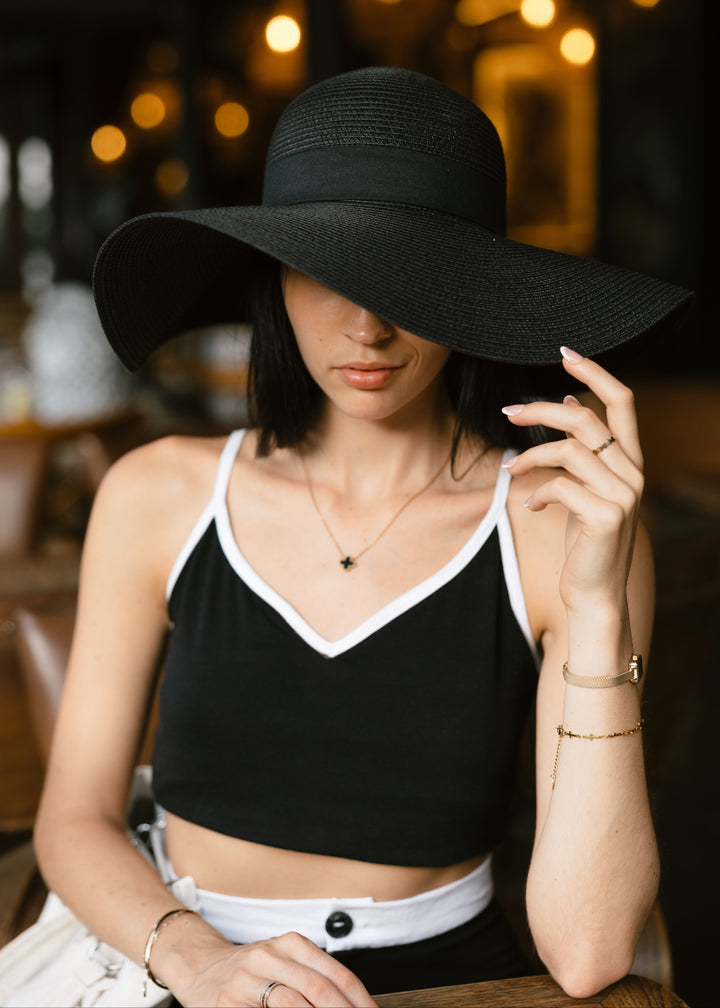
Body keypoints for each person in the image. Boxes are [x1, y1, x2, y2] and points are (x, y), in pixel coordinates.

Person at [33, 66, 692, 1007]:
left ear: (473, 290)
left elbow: (587, 953)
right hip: (171, 958)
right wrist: (195, 961)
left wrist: (596, 610)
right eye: (328, 270)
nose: (369, 327)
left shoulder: (561, 524)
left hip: (452, 984)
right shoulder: (157, 494)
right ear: (272, 277)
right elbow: (75, 818)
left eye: (409, 277)